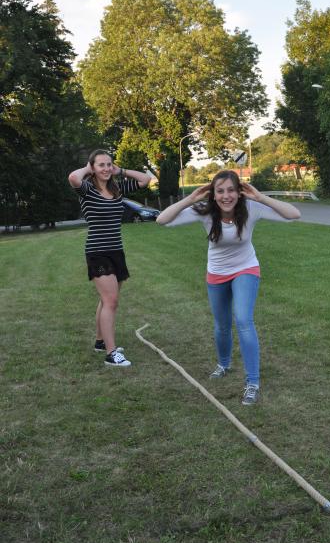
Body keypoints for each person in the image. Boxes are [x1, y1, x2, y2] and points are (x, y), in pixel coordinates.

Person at [156, 170, 300, 404]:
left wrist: (260, 197)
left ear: (239, 192)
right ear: (213, 194)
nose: (226, 196)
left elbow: (294, 214)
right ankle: (224, 364)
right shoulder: (206, 211)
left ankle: (252, 382)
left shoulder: (251, 208)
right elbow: (162, 220)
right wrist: (190, 199)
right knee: (222, 326)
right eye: (220, 191)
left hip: (246, 269)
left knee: (243, 320)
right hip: (216, 273)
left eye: (231, 190)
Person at [68, 149, 151, 367]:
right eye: (101, 165)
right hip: (98, 253)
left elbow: (145, 180)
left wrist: (121, 171)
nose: (106, 169)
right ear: (93, 168)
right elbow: (73, 177)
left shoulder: (117, 189)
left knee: (106, 300)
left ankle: (100, 342)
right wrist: (88, 168)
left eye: (108, 164)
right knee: (111, 301)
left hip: (116, 251)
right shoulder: (87, 189)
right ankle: (111, 354)